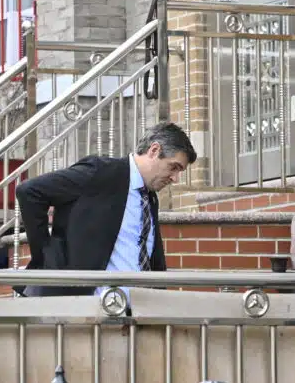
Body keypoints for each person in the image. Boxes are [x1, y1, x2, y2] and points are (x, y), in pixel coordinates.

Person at [15, 121, 197, 297]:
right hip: (88, 310)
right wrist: (47, 256)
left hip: (136, 313)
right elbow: (30, 191)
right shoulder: (100, 173)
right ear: (154, 150)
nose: (175, 178)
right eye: (173, 167)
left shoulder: (149, 197)